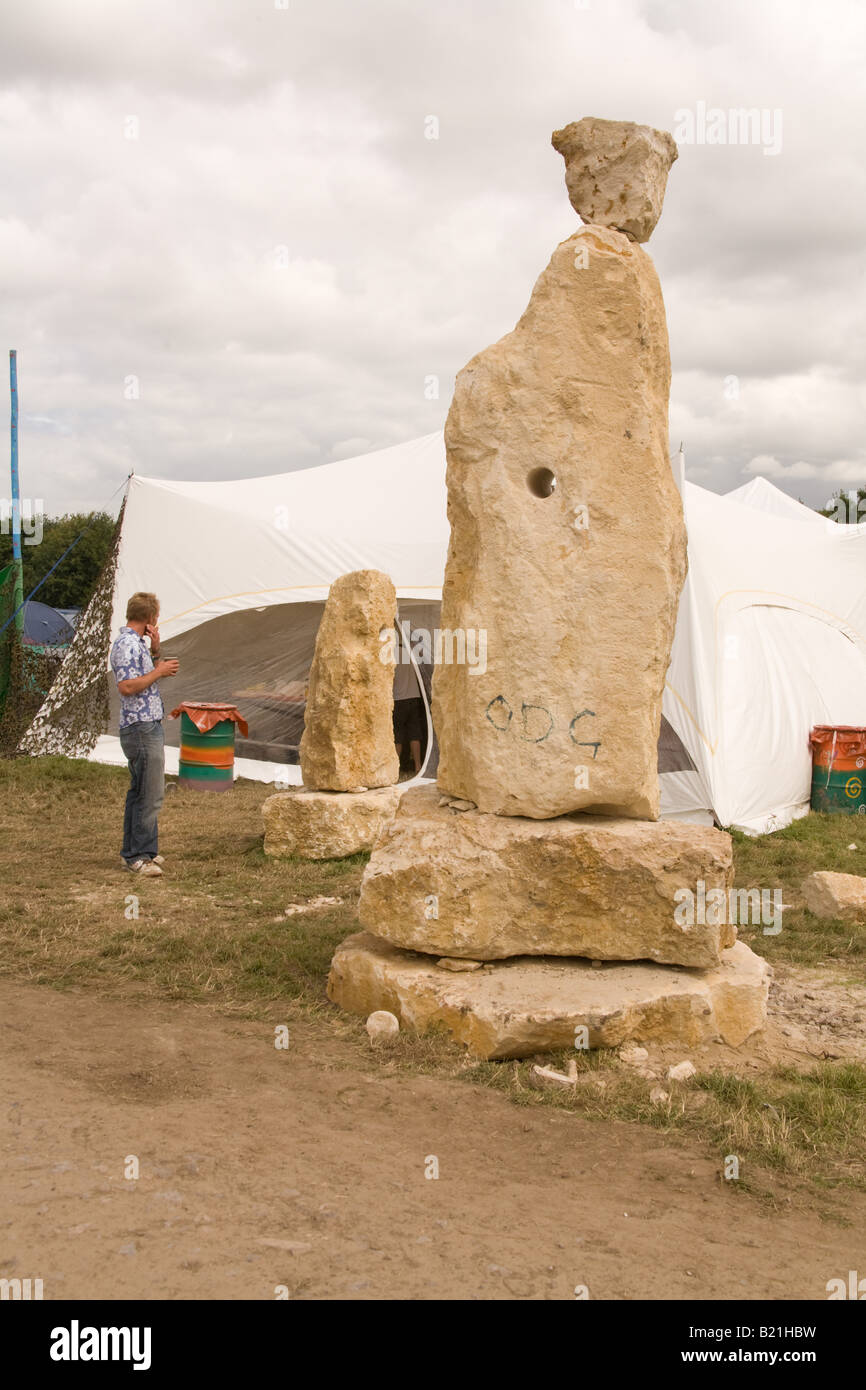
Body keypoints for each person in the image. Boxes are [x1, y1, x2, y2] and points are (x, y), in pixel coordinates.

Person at [109, 592, 178, 876]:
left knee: (143, 791)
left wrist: (155, 650)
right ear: (150, 618)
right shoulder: (126, 644)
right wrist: (159, 671)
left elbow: (140, 671)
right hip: (139, 726)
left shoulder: (137, 644)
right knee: (149, 793)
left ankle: (144, 849)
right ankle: (136, 856)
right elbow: (126, 686)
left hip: (148, 723)